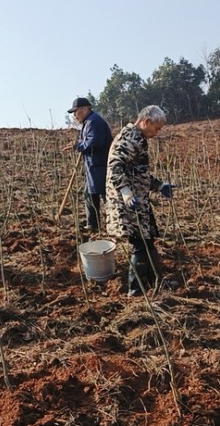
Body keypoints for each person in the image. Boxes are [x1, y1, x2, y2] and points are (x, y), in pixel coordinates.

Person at [105, 105, 177, 296]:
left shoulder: (139, 138)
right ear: (146, 122)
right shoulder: (129, 138)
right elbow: (115, 167)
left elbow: (139, 174)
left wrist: (160, 186)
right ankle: (135, 291)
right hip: (128, 203)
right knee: (140, 243)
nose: (157, 132)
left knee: (148, 240)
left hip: (138, 201)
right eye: (157, 128)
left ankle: (156, 283)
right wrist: (126, 192)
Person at [66, 97, 113, 232]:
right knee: (90, 194)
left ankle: (113, 223)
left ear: (86, 109)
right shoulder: (88, 122)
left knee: (104, 194)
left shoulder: (94, 122)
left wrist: (78, 146)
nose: (75, 115)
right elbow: (85, 140)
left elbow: (94, 142)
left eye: (76, 112)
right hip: (93, 165)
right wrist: (77, 144)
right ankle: (93, 225)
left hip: (100, 165)